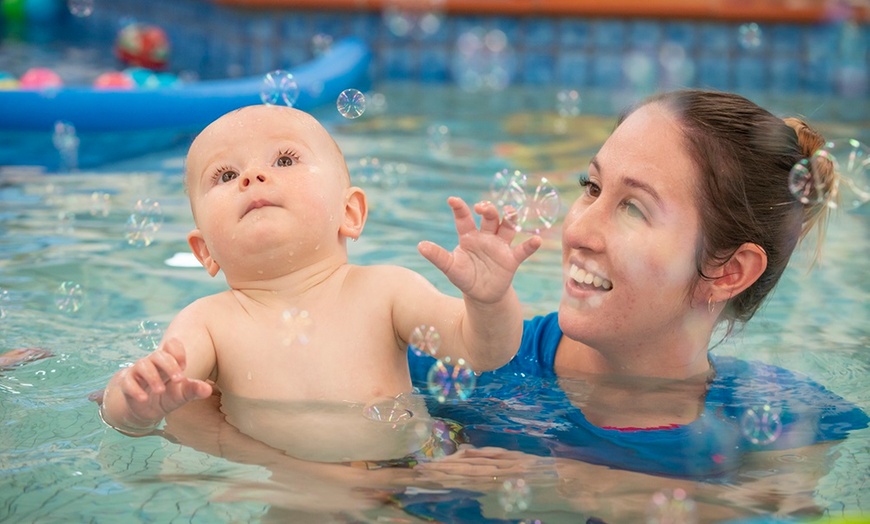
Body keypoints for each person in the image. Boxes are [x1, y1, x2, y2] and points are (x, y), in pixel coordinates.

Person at [407, 89, 869, 520]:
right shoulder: (461, 358)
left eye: (633, 208)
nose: (578, 232)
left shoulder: (789, 430)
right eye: (591, 187)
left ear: (729, 271)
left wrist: (571, 483)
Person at [99, 104, 542, 462]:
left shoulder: (387, 291)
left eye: (284, 159)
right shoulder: (207, 322)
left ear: (349, 213)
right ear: (205, 251)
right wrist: (133, 402)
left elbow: (484, 352)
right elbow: (144, 404)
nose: (253, 177)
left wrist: (489, 300)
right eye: (226, 175)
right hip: (298, 495)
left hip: (415, 470)